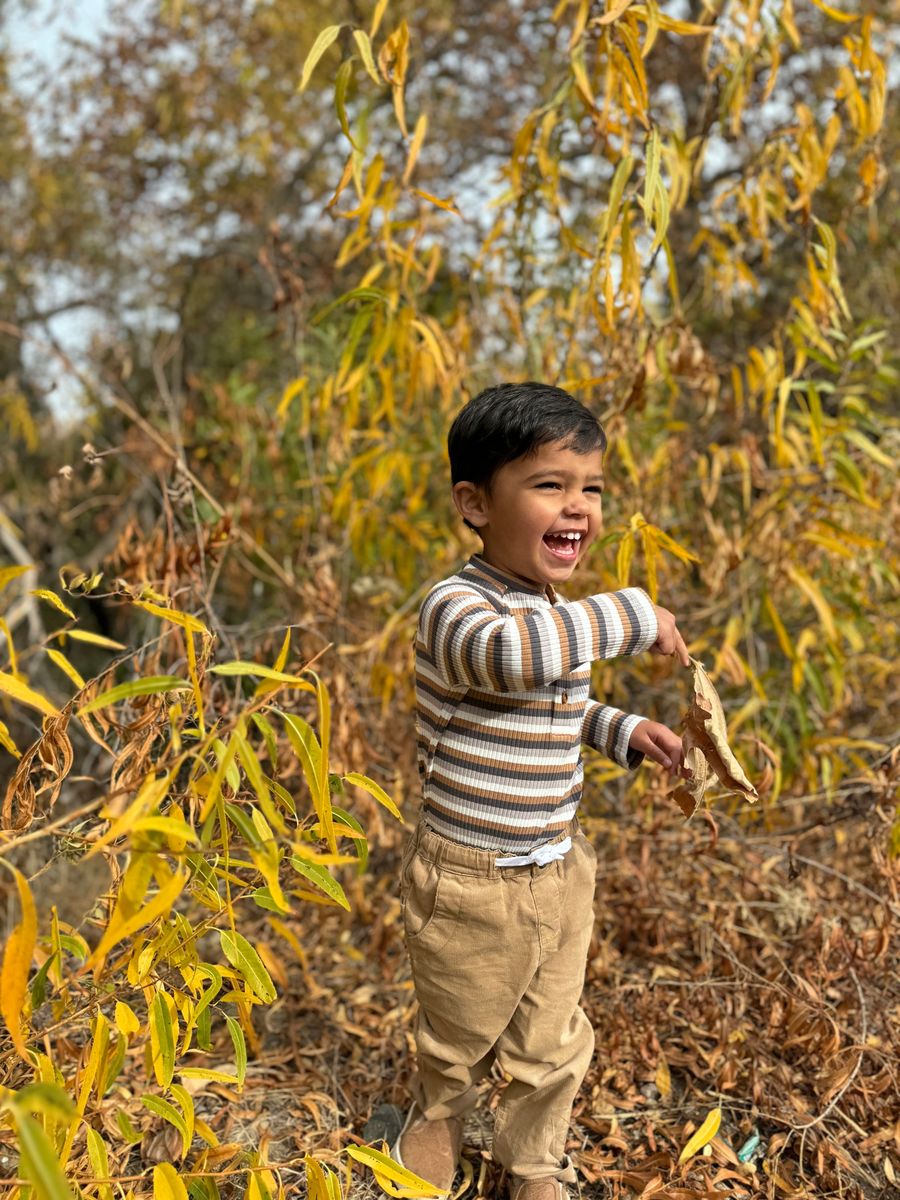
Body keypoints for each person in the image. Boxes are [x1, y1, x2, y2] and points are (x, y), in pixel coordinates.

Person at [391, 382, 689, 1200]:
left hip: (558, 867)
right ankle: (438, 1116)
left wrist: (620, 730)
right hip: (471, 883)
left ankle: (531, 1162)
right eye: (548, 484)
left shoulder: (551, 610)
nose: (579, 506)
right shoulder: (457, 608)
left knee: (554, 1039)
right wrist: (632, 613)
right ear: (475, 503)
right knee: (458, 1031)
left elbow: (552, 700)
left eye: (590, 487)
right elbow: (511, 662)